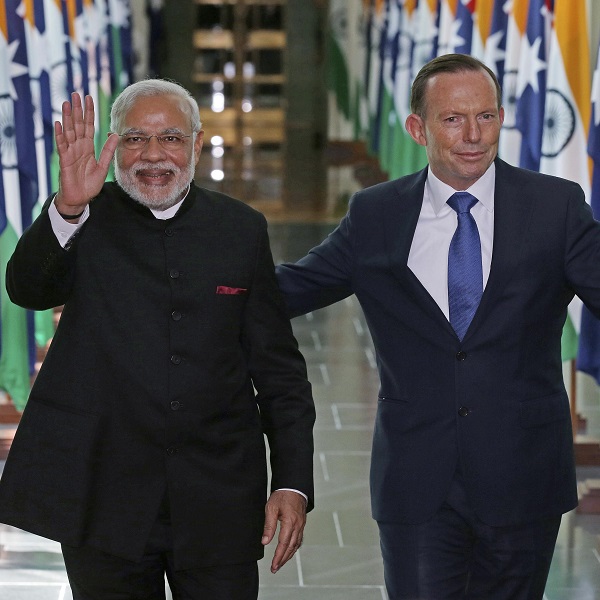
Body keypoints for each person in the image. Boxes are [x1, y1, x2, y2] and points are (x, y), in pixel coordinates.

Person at [276, 53, 599, 600]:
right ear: (416, 128)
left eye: (486, 117)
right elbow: (285, 291)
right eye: (453, 119)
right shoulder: (376, 215)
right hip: (417, 482)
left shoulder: (555, 206)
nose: (473, 135)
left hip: (524, 479)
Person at [0, 79, 315, 600]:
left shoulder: (242, 229)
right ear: (113, 145)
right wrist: (67, 207)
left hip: (219, 496)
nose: (152, 156)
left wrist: (291, 481)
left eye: (170, 138)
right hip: (104, 495)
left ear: (196, 143)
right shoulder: (83, 215)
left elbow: (279, 370)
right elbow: (26, 288)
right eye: (133, 139)